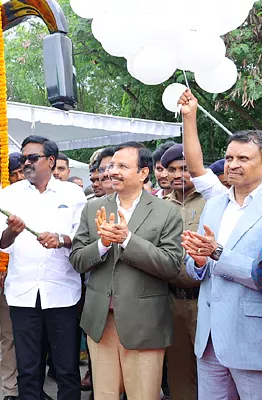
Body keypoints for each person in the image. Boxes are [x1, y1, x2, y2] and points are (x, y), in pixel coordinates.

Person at [70, 141, 183, 399]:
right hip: (100, 322)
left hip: (144, 323)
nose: (112, 172)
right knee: (105, 394)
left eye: (122, 166)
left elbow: (171, 265)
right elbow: (77, 259)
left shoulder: (166, 212)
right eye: (111, 166)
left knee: (143, 394)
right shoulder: (93, 208)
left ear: (144, 173)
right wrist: (102, 244)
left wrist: (128, 241)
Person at [0, 135, 85, 400]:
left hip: (62, 292)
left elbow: (84, 238)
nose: (26, 163)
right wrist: (12, 231)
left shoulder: (73, 194)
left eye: (33, 158)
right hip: (23, 294)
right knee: (29, 370)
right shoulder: (10, 194)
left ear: (51, 161)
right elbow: (0, 242)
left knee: (66, 368)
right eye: (24, 158)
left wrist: (62, 239)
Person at [183, 130, 262, 400]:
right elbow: (196, 266)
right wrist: (199, 262)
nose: (232, 165)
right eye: (228, 157)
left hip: (254, 339)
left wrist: (217, 253)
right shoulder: (214, 205)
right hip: (209, 338)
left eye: (243, 158)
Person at [160, 144, 206, 400]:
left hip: (205, 299)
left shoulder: (214, 199)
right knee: (178, 371)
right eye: (172, 169)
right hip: (171, 300)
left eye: (185, 168)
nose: (178, 174)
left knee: (211, 370)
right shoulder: (159, 206)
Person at [0, 152, 25, 400]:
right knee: (9, 336)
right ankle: (10, 390)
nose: (18, 178)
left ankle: (30, 387)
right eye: (13, 174)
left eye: (21, 173)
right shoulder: (2, 199)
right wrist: (2, 268)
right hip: (6, 278)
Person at [178, 90, 231, 200]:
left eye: (244, 158)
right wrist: (189, 116)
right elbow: (196, 170)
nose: (234, 165)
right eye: (230, 158)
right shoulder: (224, 198)